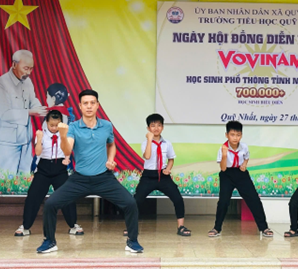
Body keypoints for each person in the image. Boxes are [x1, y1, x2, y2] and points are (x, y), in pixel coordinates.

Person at [37, 89, 143, 254]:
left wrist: (110, 159)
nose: (89, 106)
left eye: (92, 103)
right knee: (51, 204)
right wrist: (63, 136)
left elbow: (111, 144)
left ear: (97, 105)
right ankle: (49, 241)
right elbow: (67, 150)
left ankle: (133, 241)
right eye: (85, 103)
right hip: (79, 179)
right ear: (80, 106)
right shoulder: (73, 127)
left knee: (130, 203)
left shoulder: (106, 125)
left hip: (104, 178)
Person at [14, 110, 83, 237]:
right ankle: (25, 226)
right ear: (46, 123)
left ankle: (73, 225)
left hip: (60, 169)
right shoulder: (41, 134)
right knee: (33, 197)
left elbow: (68, 150)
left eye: (57, 125)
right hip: (43, 169)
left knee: (68, 197)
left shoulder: (66, 134)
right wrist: (39, 139)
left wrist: (67, 157)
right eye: (51, 125)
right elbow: (38, 153)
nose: (54, 128)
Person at [126, 113, 190, 237]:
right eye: (153, 125)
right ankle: (131, 227)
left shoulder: (167, 143)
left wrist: (168, 169)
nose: (156, 128)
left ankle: (181, 226)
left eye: (159, 125)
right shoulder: (145, 143)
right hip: (148, 176)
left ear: (163, 127)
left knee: (178, 199)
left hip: (163, 176)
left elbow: (171, 159)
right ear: (148, 128)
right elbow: (147, 156)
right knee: (136, 200)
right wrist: (150, 140)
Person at [208, 120, 273, 238]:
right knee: (223, 202)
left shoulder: (244, 146)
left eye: (238, 135)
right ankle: (217, 228)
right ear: (226, 135)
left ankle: (264, 227)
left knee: (254, 199)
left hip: (241, 173)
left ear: (241, 135)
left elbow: (246, 157)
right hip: (227, 174)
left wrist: (244, 164)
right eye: (232, 135)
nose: (235, 138)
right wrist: (224, 155)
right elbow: (223, 168)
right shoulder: (223, 149)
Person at [0, 49, 47, 173]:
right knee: (5, 177)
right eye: (26, 68)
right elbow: (5, 114)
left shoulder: (27, 81)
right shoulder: (1, 84)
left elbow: (33, 99)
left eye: (31, 69)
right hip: (6, 141)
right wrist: (30, 112)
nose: (29, 72)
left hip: (25, 138)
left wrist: (40, 108)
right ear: (14, 64)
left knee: (24, 177)